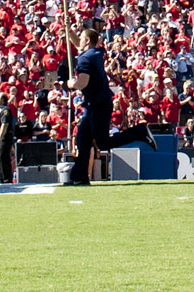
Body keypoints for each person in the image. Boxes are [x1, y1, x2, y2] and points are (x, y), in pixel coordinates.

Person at [64, 19, 155, 186]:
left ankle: (139, 132)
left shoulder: (86, 59)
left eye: (81, 38)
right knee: (83, 139)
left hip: (97, 104)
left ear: (87, 42)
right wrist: (69, 31)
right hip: (94, 104)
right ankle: (79, 176)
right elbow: (80, 45)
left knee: (102, 142)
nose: (79, 40)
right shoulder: (96, 52)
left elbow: (82, 83)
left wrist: (71, 84)